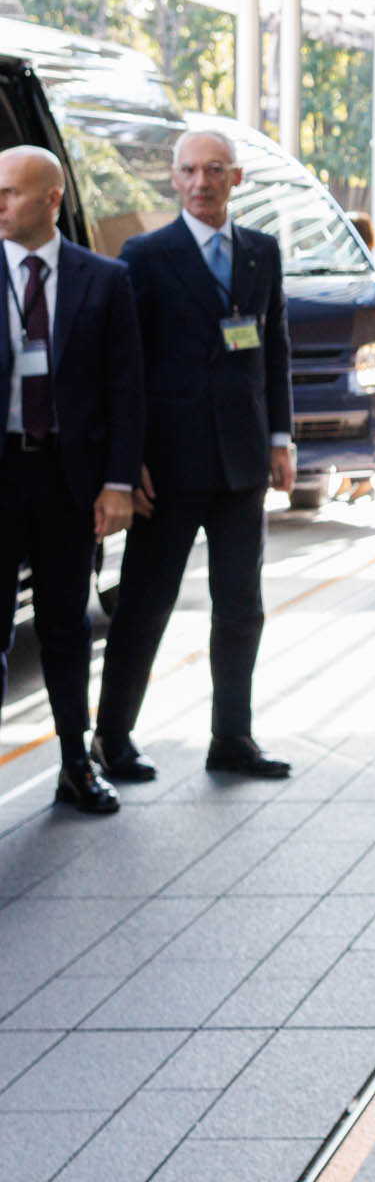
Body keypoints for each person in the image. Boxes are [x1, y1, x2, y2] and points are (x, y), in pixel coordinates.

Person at [95, 126, 293, 785]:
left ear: (236, 179)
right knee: (147, 604)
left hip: (241, 466)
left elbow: (274, 352)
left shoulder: (263, 253)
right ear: (173, 180)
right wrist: (130, 462)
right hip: (168, 470)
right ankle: (112, 739)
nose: (201, 183)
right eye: (188, 171)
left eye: (214, 170)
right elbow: (123, 367)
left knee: (241, 606)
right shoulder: (145, 256)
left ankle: (232, 738)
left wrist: (280, 439)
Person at [0, 145, 140, 816]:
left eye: (11, 193)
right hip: (1, 472)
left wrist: (117, 483)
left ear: (52, 199)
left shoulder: (103, 280)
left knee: (64, 628)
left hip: (64, 476)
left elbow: (126, 390)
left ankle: (74, 764)